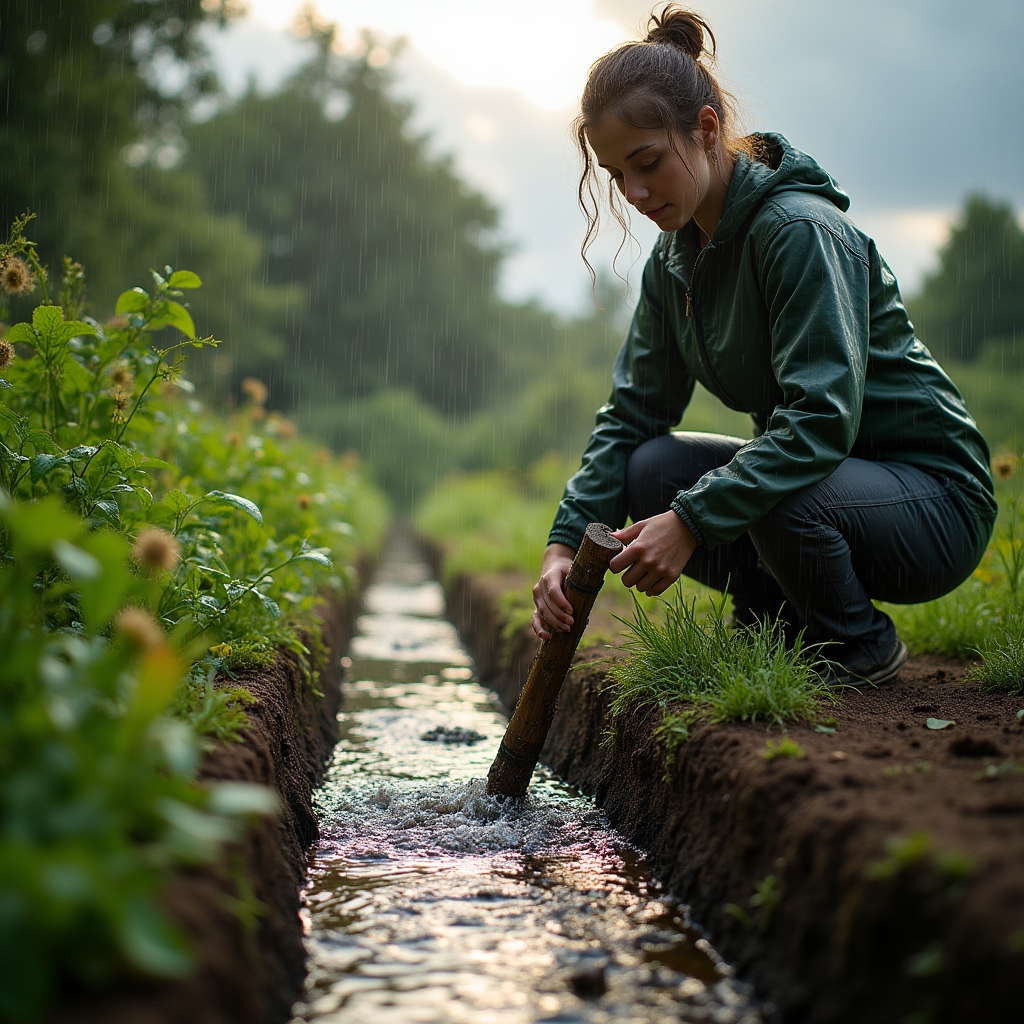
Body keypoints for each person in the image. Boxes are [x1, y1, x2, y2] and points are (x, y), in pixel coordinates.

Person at [531, 5, 996, 685]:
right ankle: (775, 624)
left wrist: (690, 520)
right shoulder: (674, 261)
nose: (633, 192)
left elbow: (819, 422)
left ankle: (858, 647)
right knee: (651, 469)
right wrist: (563, 546)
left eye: (648, 162)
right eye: (615, 174)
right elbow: (631, 416)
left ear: (708, 128)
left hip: (931, 505)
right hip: (824, 491)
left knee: (770, 489)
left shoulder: (798, 231)